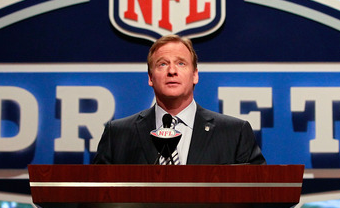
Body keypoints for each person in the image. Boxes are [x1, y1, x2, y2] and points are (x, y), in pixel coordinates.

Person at [93, 34, 266, 165]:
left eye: (181, 63)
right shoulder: (117, 135)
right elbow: (96, 199)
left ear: (195, 75)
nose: (172, 71)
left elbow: (258, 193)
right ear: (150, 78)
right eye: (162, 64)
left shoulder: (234, 133)